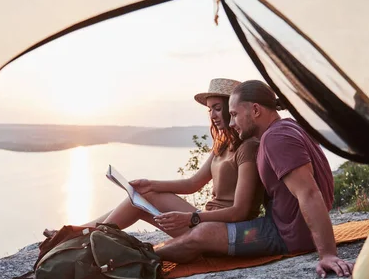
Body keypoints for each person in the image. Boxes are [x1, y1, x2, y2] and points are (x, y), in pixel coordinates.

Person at [154, 80, 354, 278]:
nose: (231, 123)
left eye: (234, 115)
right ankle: (145, 253)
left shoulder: (276, 138)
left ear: (256, 110)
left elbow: (309, 193)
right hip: (285, 227)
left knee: (202, 234)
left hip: (287, 235)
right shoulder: (287, 127)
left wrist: (327, 254)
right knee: (204, 231)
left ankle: (143, 257)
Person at [80, 78, 265, 237]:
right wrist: (151, 183)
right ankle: (80, 232)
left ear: (232, 108)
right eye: (210, 110)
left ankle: (85, 236)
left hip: (219, 227)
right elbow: (193, 183)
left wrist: (191, 217)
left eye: (218, 108)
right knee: (140, 198)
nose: (213, 115)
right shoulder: (222, 146)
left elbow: (241, 211)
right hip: (205, 219)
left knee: (146, 197)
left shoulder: (247, 147)